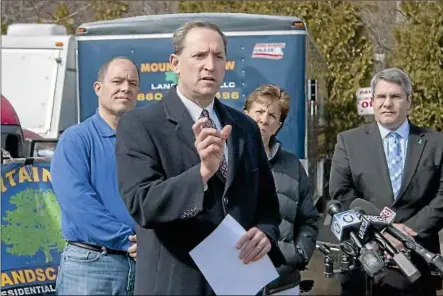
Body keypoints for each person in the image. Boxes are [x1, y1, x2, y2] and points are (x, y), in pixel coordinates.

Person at [115, 20, 285, 295]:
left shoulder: (245, 127)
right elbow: (142, 204)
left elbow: (268, 206)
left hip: (240, 282)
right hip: (177, 282)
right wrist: (202, 173)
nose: (210, 65)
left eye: (218, 56)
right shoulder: (141, 124)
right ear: (175, 63)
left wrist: (266, 232)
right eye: (199, 55)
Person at [329, 68, 443, 296]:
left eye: (395, 96)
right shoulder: (349, 142)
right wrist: (382, 231)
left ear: (409, 101)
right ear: (372, 101)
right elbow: (341, 195)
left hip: (418, 261)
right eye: (381, 97)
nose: (387, 103)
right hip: (365, 262)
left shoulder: (435, 143)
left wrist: (408, 233)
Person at [50, 57, 139, 295]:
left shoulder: (143, 141)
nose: (125, 88)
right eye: (117, 81)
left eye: (132, 83)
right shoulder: (76, 139)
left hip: (142, 262)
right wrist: (125, 240)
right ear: (98, 88)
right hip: (92, 265)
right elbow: (77, 202)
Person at [243, 84, 319, 295]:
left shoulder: (293, 166)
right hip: (235, 282)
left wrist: (299, 254)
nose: (263, 119)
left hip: (282, 284)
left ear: (278, 125)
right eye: (258, 111)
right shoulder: (225, 160)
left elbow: (309, 219)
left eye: (272, 115)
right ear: (244, 115)